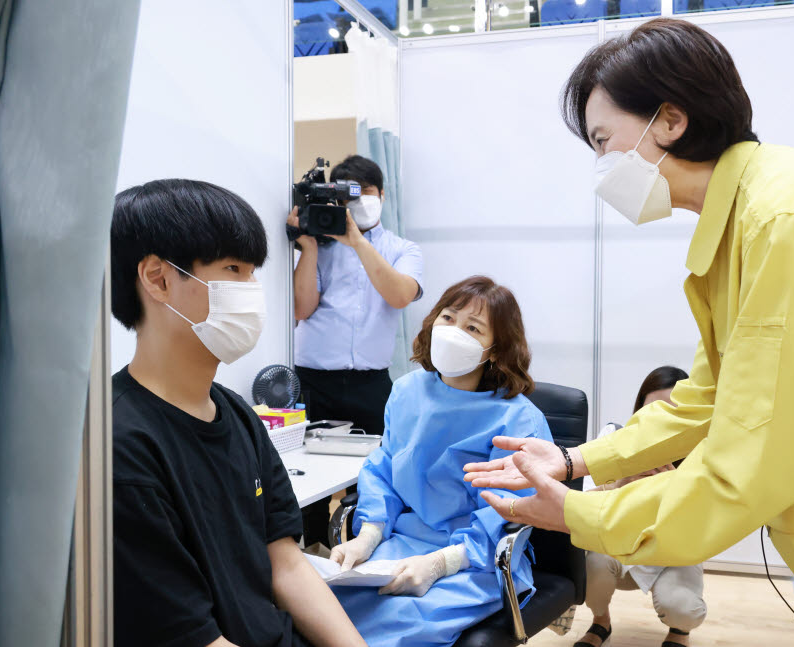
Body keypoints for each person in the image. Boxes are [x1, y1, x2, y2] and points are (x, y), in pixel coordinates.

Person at [463, 18, 794, 647]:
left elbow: (757, 462)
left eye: (604, 141)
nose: (601, 165)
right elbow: (705, 402)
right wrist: (577, 460)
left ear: (670, 121)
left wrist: (578, 513)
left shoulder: (791, 219)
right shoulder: (751, 222)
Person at [111, 179, 365, 647]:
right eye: (233, 269)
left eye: (252, 273)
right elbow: (189, 635)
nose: (251, 291)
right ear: (157, 278)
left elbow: (286, 563)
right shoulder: (121, 449)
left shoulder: (237, 414)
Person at [328, 276, 554, 647]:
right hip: (400, 544)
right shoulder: (406, 391)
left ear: (495, 350)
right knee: (325, 608)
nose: (453, 332)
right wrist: (366, 539)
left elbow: (504, 516)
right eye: (448, 318)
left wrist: (439, 565)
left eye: (473, 328)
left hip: (475, 561)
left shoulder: (518, 421)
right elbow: (382, 469)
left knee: (402, 625)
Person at [289, 154, 424, 547]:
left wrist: (357, 241)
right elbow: (301, 309)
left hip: (370, 385)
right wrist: (309, 246)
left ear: (381, 195)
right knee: (307, 480)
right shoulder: (320, 247)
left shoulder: (403, 249)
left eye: (366, 193)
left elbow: (399, 295)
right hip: (313, 381)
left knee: (374, 479)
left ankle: (363, 555)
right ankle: (314, 554)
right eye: (349, 194)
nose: (359, 200)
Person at [576, 366, 706, 647]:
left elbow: (707, 524)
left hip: (674, 552)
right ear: (639, 411)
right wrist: (620, 482)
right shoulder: (613, 438)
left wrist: (674, 489)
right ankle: (601, 621)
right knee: (589, 566)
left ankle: (679, 631)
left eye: (673, 414)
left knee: (682, 607)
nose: (661, 423)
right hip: (621, 550)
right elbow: (581, 503)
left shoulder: (702, 453)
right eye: (653, 412)